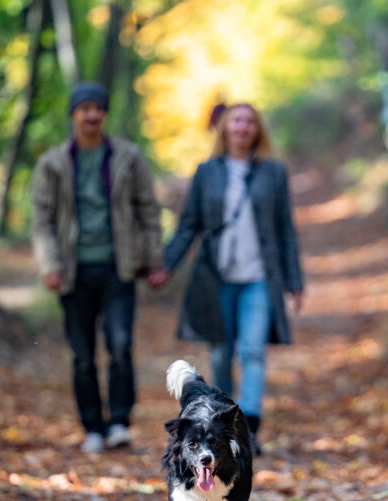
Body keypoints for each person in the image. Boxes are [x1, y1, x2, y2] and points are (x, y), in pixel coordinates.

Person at [31, 82, 167, 454]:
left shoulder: (128, 157)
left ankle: (119, 421)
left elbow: (148, 211)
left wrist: (154, 260)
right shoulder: (53, 163)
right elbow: (41, 220)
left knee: (120, 346)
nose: (91, 115)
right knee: (82, 354)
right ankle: (92, 426)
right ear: (74, 114)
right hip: (73, 271)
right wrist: (50, 264)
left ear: (105, 114)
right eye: (84, 108)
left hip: (118, 268)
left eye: (98, 108)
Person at [161, 103, 304, 454]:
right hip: (217, 277)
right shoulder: (207, 171)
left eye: (249, 121)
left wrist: (294, 280)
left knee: (252, 351)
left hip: (258, 277)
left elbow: (285, 228)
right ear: (225, 128)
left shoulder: (273, 173)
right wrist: (164, 265)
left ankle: (248, 428)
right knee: (222, 354)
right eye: (236, 120)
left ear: (257, 130)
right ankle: (224, 422)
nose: (242, 127)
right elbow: (189, 226)